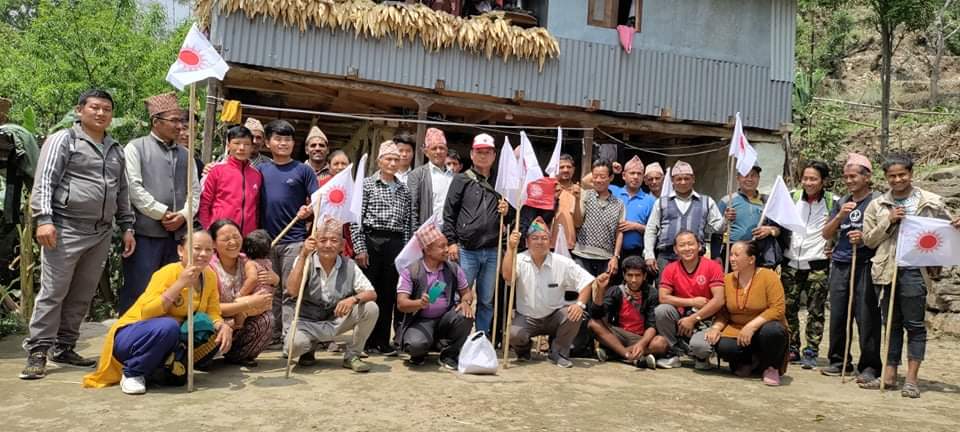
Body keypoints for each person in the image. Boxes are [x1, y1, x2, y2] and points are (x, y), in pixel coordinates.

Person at [21, 89, 136, 380]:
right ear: (79, 110)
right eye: (95, 107)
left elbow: (122, 191)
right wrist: (44, 219)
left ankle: (64, 346)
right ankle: (38, 350)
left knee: (82, 293)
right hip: (65, 228)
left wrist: (127, 226)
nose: (101, 113)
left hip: (101, 232)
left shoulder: (115, 149)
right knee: (54, 291)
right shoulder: (65, 139)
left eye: (106, 109)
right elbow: (45, 180)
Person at [82, 230, 231, 394]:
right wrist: (180, 284)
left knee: (209, 328)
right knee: (169, 326)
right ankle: (133, 373)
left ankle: (160, 368)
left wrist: (221, 325)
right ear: (181, 251)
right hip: (136, 336)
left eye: (208, 250)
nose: (203, 254)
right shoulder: (167, 273)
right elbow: (147, 312)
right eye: (197, 248)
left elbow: (212, 312)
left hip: (171, 340)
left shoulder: (209, 276)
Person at [862, 153, 951, 398]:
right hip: (887, 270)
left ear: (911, 174)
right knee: (891, 324)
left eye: (902, 174)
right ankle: (890, 375)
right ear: (886, 178)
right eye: (892, 176)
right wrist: (888, 221)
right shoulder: (877, 205)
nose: (898, 179)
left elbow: (947, 230)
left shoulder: (931, 202)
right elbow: (869, 240)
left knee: (914, 325)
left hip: (916, 270)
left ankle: (911, 380)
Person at [120, 93, 200, 315]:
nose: (180, 126)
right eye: (174, 120)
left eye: (181, 121)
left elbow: (195, 191)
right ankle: (129, 333)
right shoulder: (135, 148)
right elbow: (133, 188)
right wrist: (162, 213)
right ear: (156, 121)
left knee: (173, 292)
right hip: (146, 235)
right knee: (140, 289)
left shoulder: (186, 154)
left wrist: (183, 215)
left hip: (178, 237)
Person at [502, 218, 606, 368]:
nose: (540, 242)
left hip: (554, 316)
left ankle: (559, 352)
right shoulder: (519, 259)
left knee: (575, 314)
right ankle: (523, 351)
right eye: (535, 238)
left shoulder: (562, 262)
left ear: (550, 242)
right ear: (527, 242)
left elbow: (587, 281)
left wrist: (580, 304)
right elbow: (507, 276)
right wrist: (511, 248)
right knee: (513, 335)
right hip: (527, 317)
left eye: (544, 238)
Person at [286, 217, 378, 373]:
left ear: (342, 245)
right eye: (322, 240)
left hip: (336, 321)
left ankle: (353, 355)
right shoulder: (304, 261)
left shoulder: (349, 265)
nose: (328, 245)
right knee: (293, 347)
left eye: (334, 240)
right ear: (315, 243)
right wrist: (302, 255)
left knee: (370, 308)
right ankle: (308, 349)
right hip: (308, 323)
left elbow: (371, 293)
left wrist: (353, 299)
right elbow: (292, 291)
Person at [351, 141, 416, 355]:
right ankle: (364, 341)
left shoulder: (404, 190)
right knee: (370, 291)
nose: (393, 163)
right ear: (379, 161)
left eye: (396, 159)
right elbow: (356, 220)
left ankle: (382, 341)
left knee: (389, 293)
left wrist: (405, 253)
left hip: (395, 243)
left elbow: (407, 224)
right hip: (372, 240)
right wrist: (360, 248)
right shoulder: (367, 185)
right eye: (389, 159)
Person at [257, 120, 318, 347]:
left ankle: (289, 337)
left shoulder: (304, 170)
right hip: (267, 241)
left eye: (287, 139)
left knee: (291, 290)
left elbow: (318, 199)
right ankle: (272, 334)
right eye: (278, 139)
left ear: (294, 143)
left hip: (294, 239)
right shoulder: (260, 170)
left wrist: (309, 209)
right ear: (267, 142)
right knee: (270, 289)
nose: (283, 143)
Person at [820, 153, 881, 381]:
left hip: (865, 263)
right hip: (841, 262)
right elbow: (826, 233)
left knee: (866, 316)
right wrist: (840, 216)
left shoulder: (877, 201)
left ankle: (870, 366)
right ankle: (839, 361)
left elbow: (885, 231)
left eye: (853, 176)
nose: (848, 181)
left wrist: (864, 237)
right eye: (846, 177)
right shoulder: (841, 201)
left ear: (867, 177)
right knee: (838, 315)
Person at [443, 133, 511, 336]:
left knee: (487, 300)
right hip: (466, 250)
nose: (483, 156)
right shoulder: (461, 179)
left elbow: (513, 216)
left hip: (492, 250)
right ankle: (456, 339)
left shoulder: (501, 182)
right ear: (472, 154)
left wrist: (507, 211)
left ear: (494, 155)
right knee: (460, 296)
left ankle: (481, 338)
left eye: (488, 152)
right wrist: (451, 242)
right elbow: (449, 213)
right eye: (479, 152)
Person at [700, 241, 789, 386]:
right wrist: (716, 328)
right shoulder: (727, 279)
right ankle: (747, 362)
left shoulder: (769, 277)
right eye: (731, 255)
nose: (732, 259)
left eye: (737, 255)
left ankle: (771, 367)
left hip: (764, 327)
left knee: (773, 331)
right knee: (722, 345)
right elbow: (724, 312)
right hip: (737, 329)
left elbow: (777, 309)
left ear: (751, 259)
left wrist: (751, 326)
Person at [781, 161, 837, 368]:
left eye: (813, 179)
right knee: (788, 308)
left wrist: (835, 247)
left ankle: (811, 350)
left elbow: (842, 228)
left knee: (816, 310)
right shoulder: (792, 198)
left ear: (823, 181)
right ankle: (792, 347)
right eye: (805, 178)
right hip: (791, 262)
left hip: (817, 264)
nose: (808, 183)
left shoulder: (833, 202)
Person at [396, 222, 475, 369]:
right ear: (427, 250)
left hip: (445, 319)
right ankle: (422, 350)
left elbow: (466, 293)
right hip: (421, 320)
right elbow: (401, 303)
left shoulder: (453, 268)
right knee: (415, 345)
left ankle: (449, 355)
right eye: (442, 246)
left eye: (447, 245)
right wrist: (419, 303)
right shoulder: (411, 271)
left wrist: (465, 302)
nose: (447, 250)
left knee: (465, 316)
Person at [654, 231, 725, 369]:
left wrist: (693, 319)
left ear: (699, 246)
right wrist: (692, 302)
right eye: (682, 245)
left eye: (690, 244)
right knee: (662, 310)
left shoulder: (712, 266)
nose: (687, 248)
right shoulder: (670, 268)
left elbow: (719, 300)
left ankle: (700, 356)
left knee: (701, 348)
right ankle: (673, 353)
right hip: (681, 318)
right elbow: (663, 297)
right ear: (675, 249)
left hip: (705, 318)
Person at [209, 221, 276, 366]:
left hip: (241, 321)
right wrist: (247, 304)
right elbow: (209, 309)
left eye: (236, 237)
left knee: (267, 318)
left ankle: (239, 356)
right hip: (217, 321)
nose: (233, 242)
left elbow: (265, 289)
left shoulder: (250, 261)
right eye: (226, 239)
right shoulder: (208, 268)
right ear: (213, 243)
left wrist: (275, 280)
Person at [644, 161, 723, 273]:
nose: (683, 182)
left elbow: (717, 228)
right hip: (667, 258)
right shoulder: (661, 202)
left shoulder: (706, 201)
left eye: (686, 178)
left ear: (693, 179)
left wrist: (726, 220)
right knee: (665, 284)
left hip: (696, 259)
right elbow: (651, 229)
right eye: (679, 179)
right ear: (672, 181)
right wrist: (649, 255)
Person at [589, 256, 667, 368]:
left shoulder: (652, 293)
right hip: (617, 336)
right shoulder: (616, 291)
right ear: (624, 275)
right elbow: (597, 315)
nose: (633, 280)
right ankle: (628, 355)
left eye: (638, 275)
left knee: (661, 343)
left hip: (641, 337)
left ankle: (616, 354)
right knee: (593, 324)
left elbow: (652, 326)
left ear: (644, 276)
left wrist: (641, 344)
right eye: (630, 275)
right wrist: (600, 290)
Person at [198, 125, 262, 236]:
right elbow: (205, 204)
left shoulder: (256, 175)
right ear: (228, 146)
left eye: (247, 144)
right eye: (237, 143)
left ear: (252, 147)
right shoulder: (216, 171)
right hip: (220, 233)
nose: (241, 148)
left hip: (247, 235)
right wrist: (208, 229)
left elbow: (256, 208)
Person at [717, 163, 783, 268]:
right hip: (733, 254)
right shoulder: (727, 201)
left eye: (753, 175)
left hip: (761, 254)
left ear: (759, 178)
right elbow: (716, 231)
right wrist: (716, 256)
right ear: (738, 178)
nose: (749, 179)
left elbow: (780, 230)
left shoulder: (768, 201)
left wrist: (770, 230)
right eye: (745, 175)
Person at [572, 160, 624, 276]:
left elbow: (619, 232)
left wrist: (615, 256)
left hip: (606, 258)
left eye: (602, 177)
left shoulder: (619, 203)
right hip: (582, 254)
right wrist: (576, 200)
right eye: (595, 177)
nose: (598, 180)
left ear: (611, 178)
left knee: (602, 287)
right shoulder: (585, 195)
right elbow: (577, 223)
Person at [407, 127, 453, 224]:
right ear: (426, 152)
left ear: (446, 151)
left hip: (448, 231)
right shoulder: (418, 175)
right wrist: (415, 231)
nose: (438, 151)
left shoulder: (453, 176)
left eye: (441, 148)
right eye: (434, 148)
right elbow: (412, 209)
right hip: (426, 230)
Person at [614, 156, 655, 262]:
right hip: (610, 252)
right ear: (624, 175)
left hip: (635, 254)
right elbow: (586, 182)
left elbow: (655, 231)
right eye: (632, 173)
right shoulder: (613, 192)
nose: (636, 177)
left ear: (643, 178)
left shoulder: (650, 201)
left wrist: (636, 226)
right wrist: (610, 168)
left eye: (639, 174)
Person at [550, 154, 581, 255]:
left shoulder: (580, 191)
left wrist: (577, 199)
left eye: (569, 167)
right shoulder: (549, 189)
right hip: (548, 245)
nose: (565, 170)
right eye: (561, 167)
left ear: (574, 169)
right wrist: (554, 197)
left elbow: (578, 223)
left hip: (570, 247)